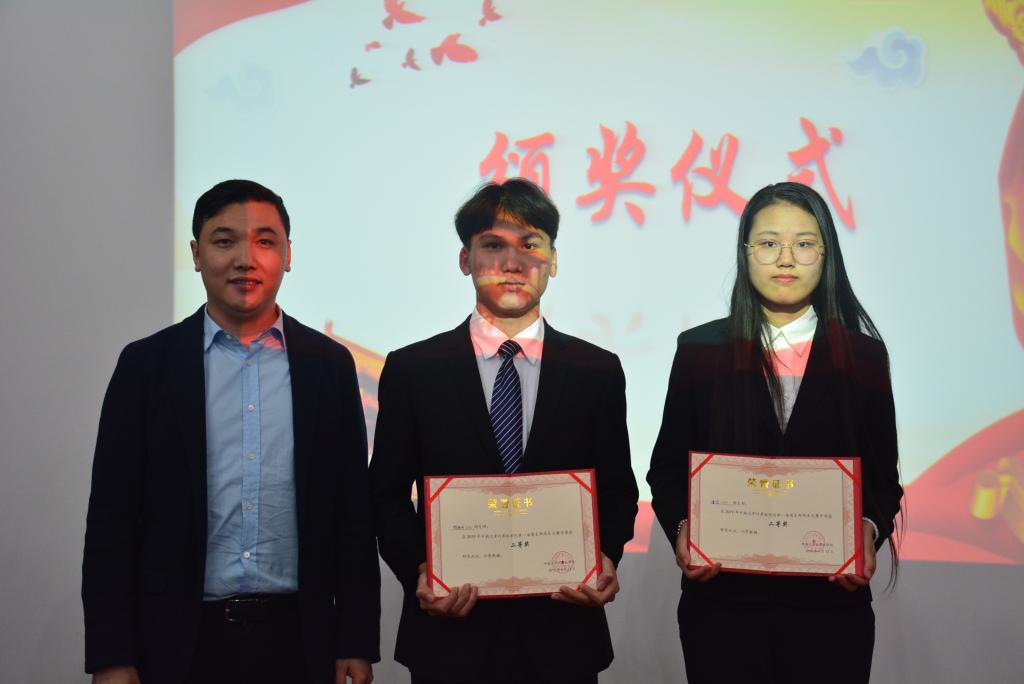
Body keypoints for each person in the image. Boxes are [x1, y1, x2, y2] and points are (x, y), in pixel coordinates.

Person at [82, 180, 380, 684]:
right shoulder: (147, 366)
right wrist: (112, 655)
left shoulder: (327, 365)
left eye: (265, 241)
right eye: (225, 241)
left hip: (298, 640)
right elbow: (112, 519)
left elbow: (351, 512)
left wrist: (355, 639)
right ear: (197, 255)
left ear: (288, 256)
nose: (246, 259)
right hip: (177, 643)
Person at [369, 178, 639, 684]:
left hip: (563, 634)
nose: (512, 263)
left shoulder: (597, 370)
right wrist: (420, 571)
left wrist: (605, 556)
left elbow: (618, 490)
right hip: (450, 637)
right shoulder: (412, 369)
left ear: (553, 260)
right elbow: (385, 495)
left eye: (530, 245)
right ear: (465, 259)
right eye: (493, 245)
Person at [646, 182, 903, 684]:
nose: (785, 258)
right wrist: (682, 528)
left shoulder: (864, 357)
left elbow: (882, 479)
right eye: (768, 243)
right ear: (746, 253)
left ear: (826, 254)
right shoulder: (700, 350)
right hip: (722, 609)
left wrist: (867, 531)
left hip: (830, 610)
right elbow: (668, 467)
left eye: (804, 243)